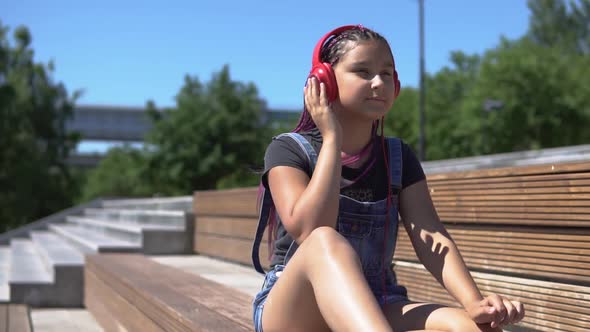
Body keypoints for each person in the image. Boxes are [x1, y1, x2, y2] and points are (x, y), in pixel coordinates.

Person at [251, 24, 525, 332]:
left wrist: (475, 303)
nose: (378, 82)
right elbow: (310, 230)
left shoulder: (397, 157)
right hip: (295, 310)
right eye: (363, 72)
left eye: (386, 73)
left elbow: (432, 237)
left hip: (377, 300)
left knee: (473, 328)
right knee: (323, 241)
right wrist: (331, 139)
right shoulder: (288, 149)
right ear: (324, 81)